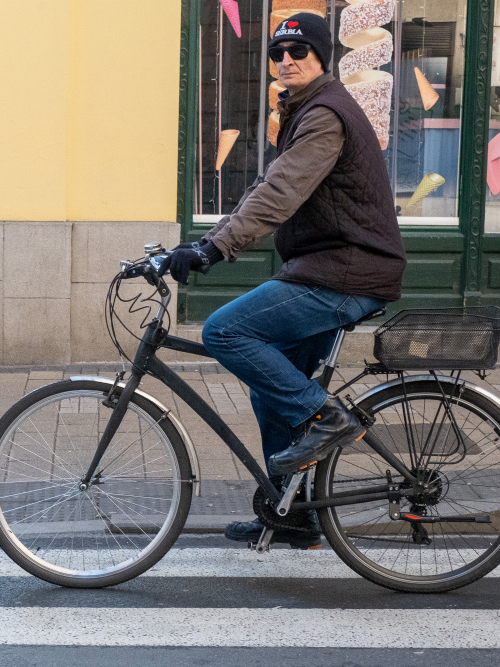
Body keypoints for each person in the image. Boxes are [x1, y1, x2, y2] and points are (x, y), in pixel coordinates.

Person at [158, 14, 406, 549]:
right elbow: (264, 189)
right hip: (331, 267)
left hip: (344, 272)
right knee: (273, 391)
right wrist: (205, 238)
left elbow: (280, 195)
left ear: (322, 56)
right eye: (278, 53)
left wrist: (214, 249)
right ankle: (291, 515)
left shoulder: (325, 115)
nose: (286, 60)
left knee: (226, 332)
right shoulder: (304, 111)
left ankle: (327, 417)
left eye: (298, 50)